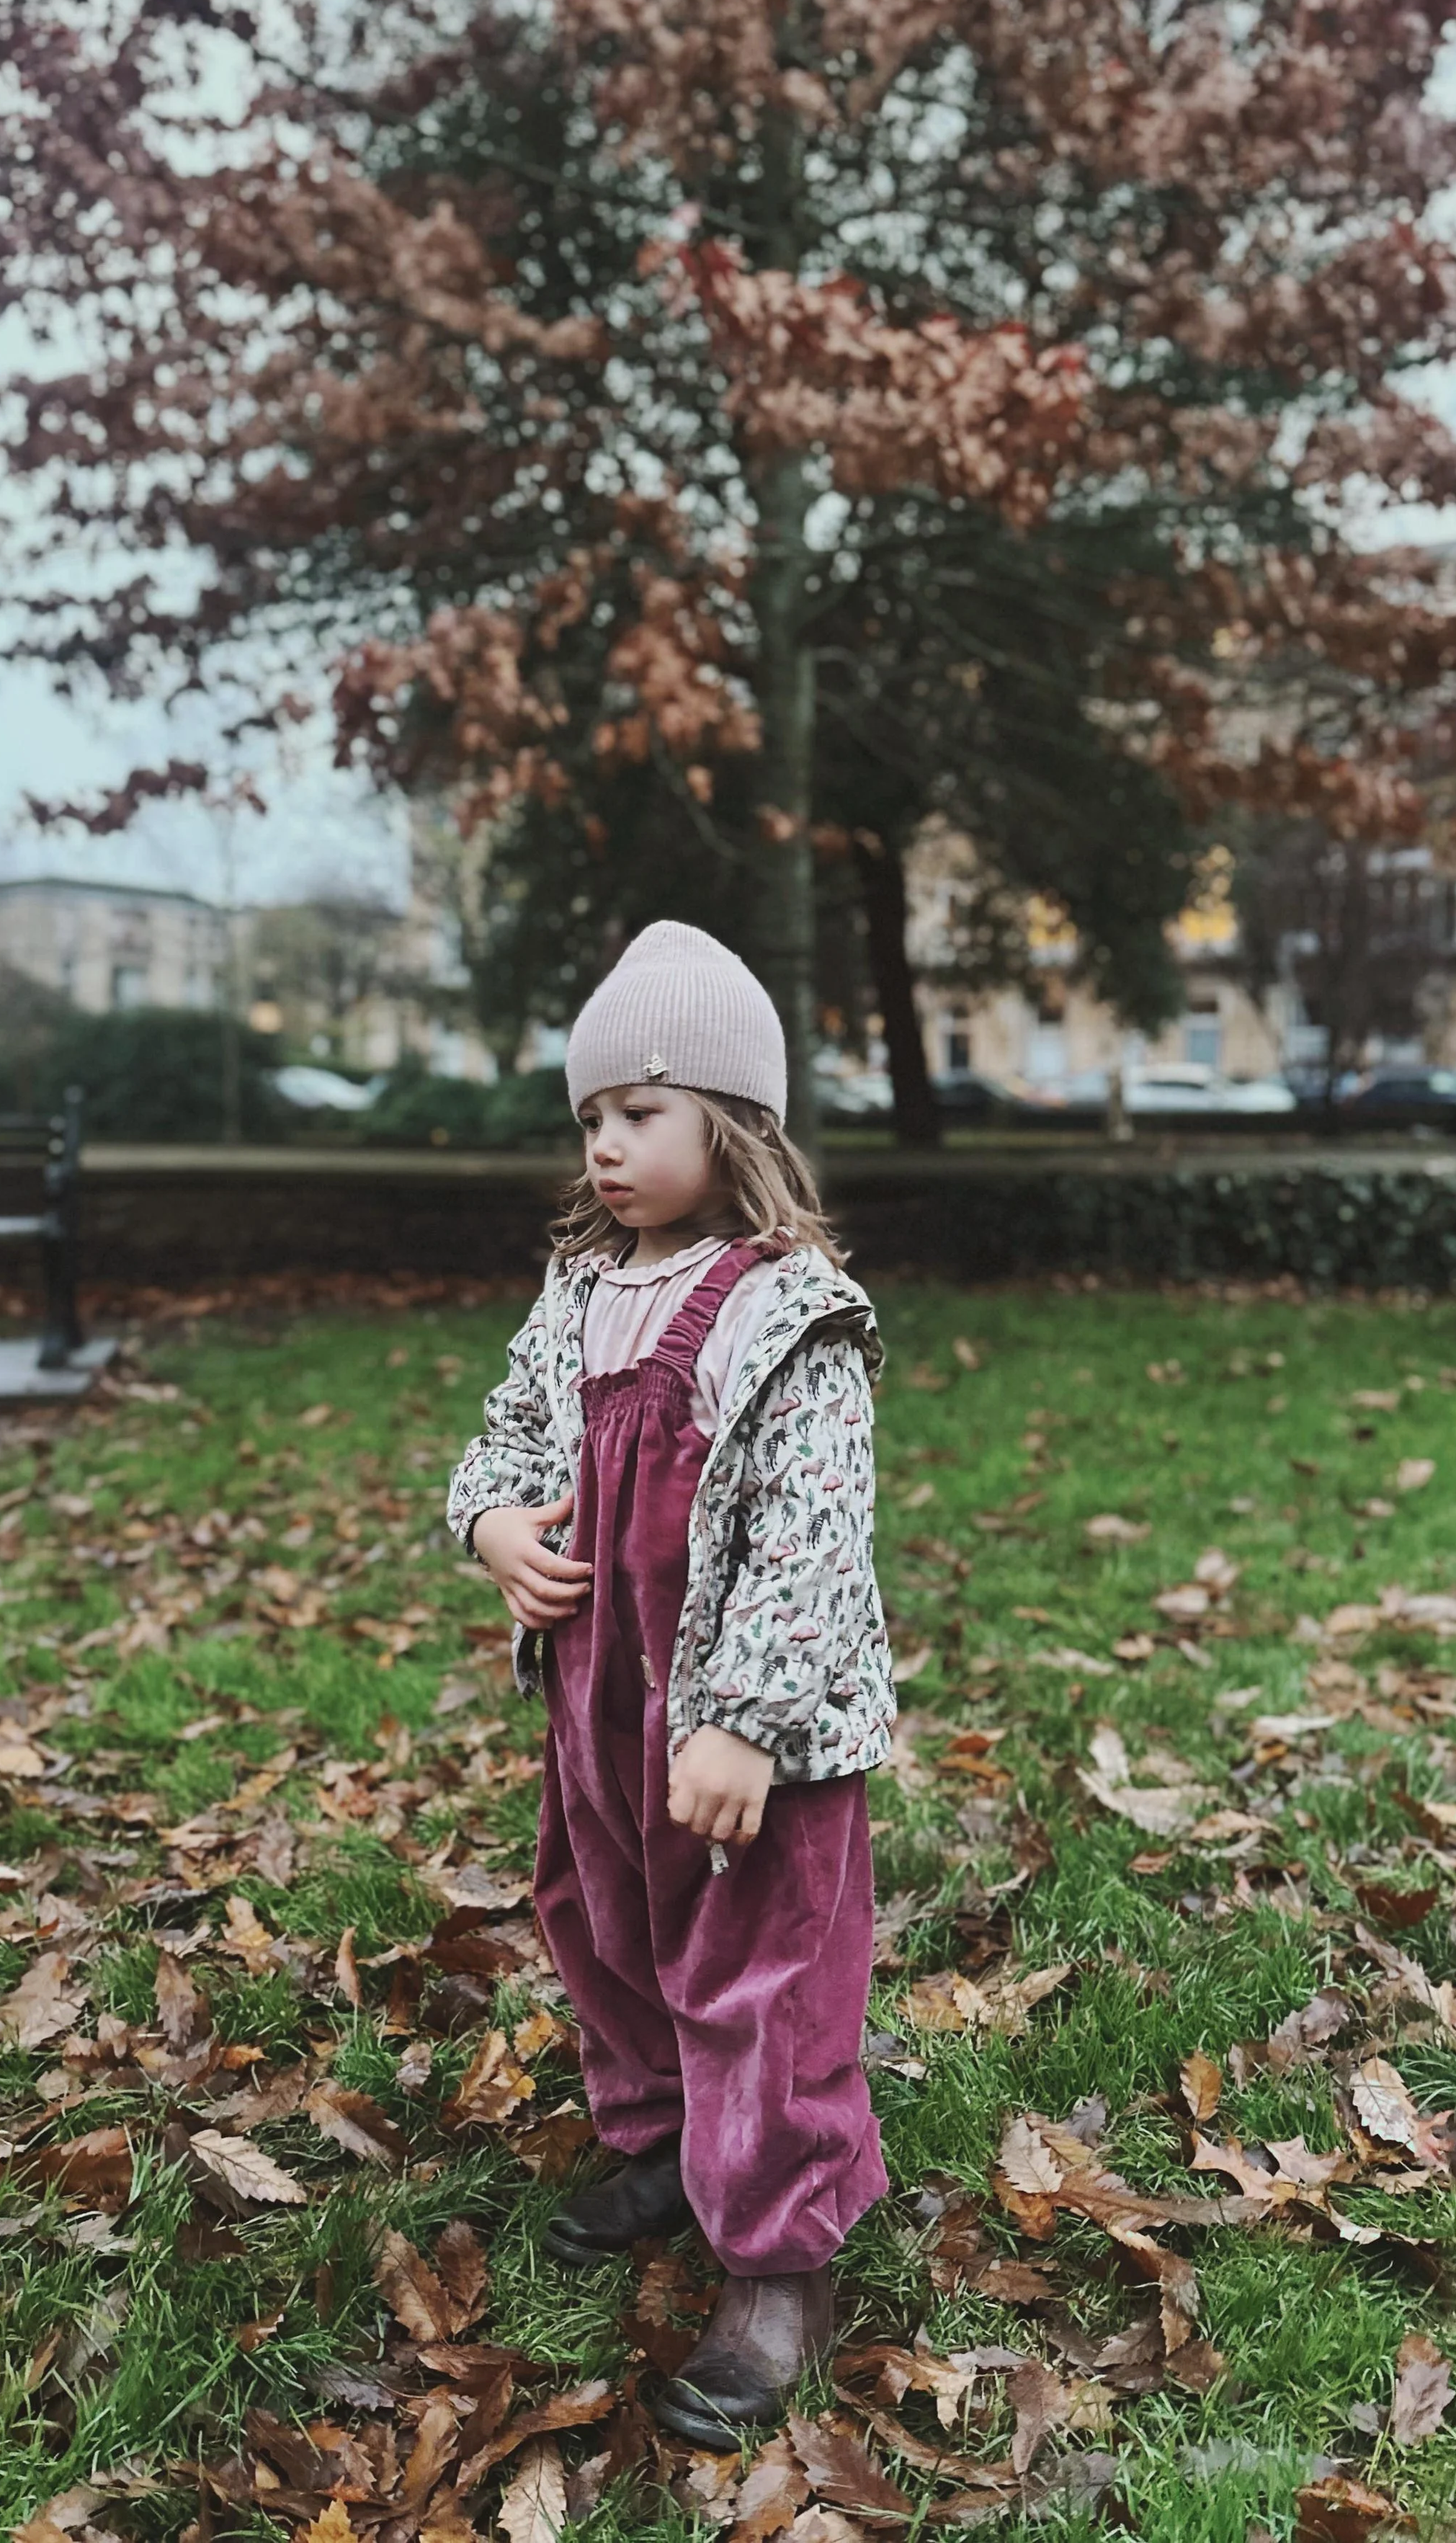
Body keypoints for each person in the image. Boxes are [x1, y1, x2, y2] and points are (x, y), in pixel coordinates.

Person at [447, 921, 894, 2448]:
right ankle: (663, 2138)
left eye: (640, 1111)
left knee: (759, 1969)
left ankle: (778, 2259)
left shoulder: (790, 1310)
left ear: (734, 1118)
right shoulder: (580, 1288)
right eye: (590, 1117)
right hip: (603, 1696)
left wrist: (746, 1724)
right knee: (608, 1920)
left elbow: (812, 1537)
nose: (605, 1144)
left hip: (742, 1724)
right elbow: (510, 1436)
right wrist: (497, 1526)